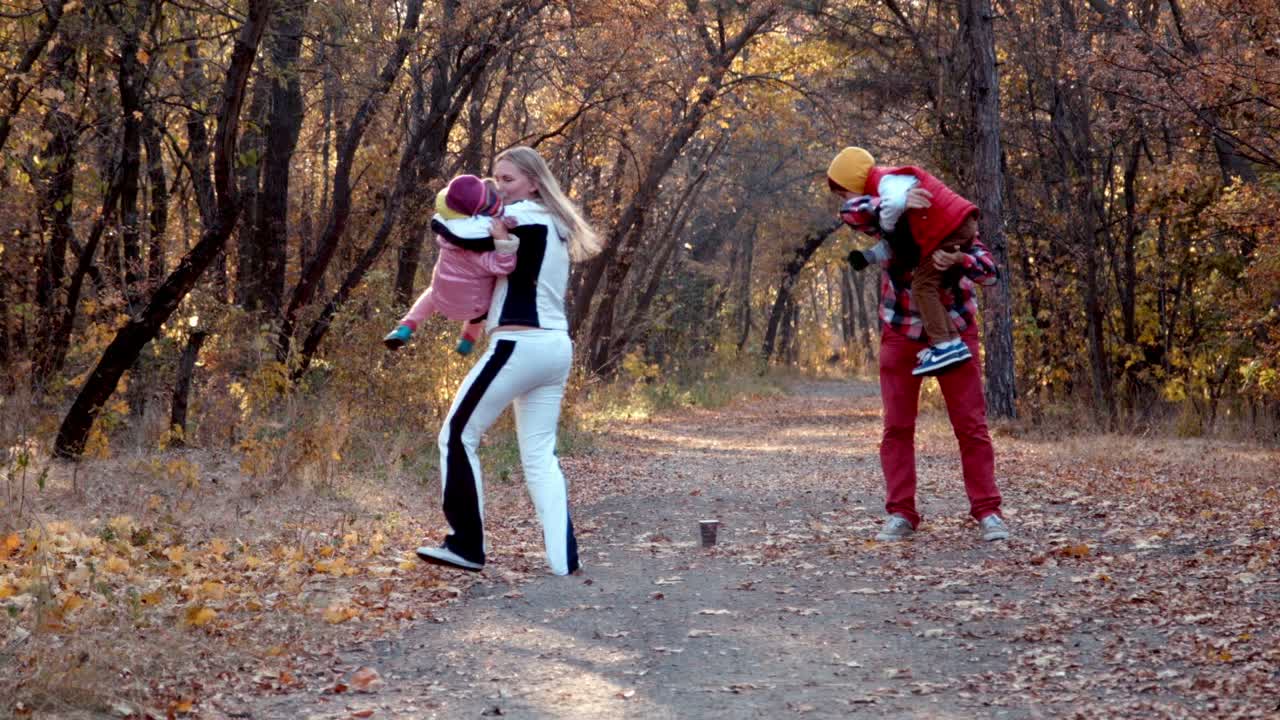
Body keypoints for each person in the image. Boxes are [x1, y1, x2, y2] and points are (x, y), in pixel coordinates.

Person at [416, 146, 602, 575]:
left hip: (520, 344)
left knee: (457, 434)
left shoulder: (525, 217)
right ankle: (563, 562)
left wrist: (447, 204)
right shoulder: (556, 224)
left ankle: (465, 546)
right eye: (495, 178)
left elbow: (456, 231)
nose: (498, 187)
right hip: (556, 348)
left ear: (533, 183)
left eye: (507, 180)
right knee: (539, 456)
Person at [825, 147, 1010, 543]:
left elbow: (990, 273)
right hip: (901, 333)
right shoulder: (884, 222)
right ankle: (901, 515)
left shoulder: (948, 224)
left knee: (972, 427)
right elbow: (851, 211)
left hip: (956, 336)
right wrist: (893, 200)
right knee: (897, 428)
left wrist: (958, 260)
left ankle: (988, 512)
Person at [828, 147, 979, 376]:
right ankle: (951, 344)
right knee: (924, 283)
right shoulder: (888, 197)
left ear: (853, 183)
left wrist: (888, 222)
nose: (845, 200)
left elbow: (895, 203)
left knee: (922, 286)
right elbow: (855, 212)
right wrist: (870, 254)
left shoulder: (887, 181)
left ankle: (944, 346)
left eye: (843, 193)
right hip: (954, 227)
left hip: (953, 229)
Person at [384, 175, 517, 355]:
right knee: (488, 294)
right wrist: (502, 239)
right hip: (472, 307)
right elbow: (504, 267)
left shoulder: (446, 235)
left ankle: (406, 326)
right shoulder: (482, 250)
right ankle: (467, 340)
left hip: (441, 297)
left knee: (432, 291)